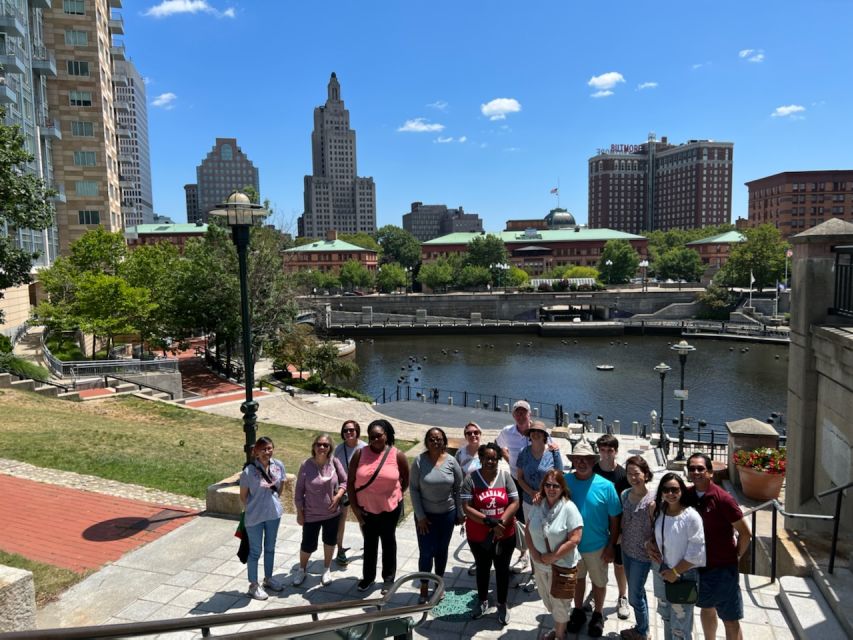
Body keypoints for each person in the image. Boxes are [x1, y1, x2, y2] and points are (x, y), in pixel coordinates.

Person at [686, 453, 752, 640]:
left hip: (723, 569)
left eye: (700, 468)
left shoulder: (723, 499)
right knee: (706, 609)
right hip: (699, 567)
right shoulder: (687, 495)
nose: (696, 472)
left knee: (730, 618)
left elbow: (745, 534)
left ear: (710, 473)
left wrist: (736, 556)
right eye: (692, 468)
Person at [563, 438, 622, 638]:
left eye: (586, 458)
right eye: (577, 458)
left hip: (598, 546)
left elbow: (615, 519)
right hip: (573, 546)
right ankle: (578, 610)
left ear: (592, 461)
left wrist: (611, 546)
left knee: (599, 582)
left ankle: (597, 614)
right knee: (578, 581)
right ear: (573, 461)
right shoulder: (565, 481)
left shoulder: (606, 486)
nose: (581, 462)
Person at [347, 419, 410, 594]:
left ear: (386, 435)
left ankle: (388, 579)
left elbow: (405, 480)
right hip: (366, 509)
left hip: (390, 509)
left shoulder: (397, 455)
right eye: (372, 436)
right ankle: (368, 578)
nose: (375, 439)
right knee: (369, 544)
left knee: (389, 542)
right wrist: (356, 510)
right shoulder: (360, 454)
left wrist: (393, 495)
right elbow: (351, 483)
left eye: (379, 436)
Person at [462, 442, 519, 626]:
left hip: (505, 535)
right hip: (479, 536)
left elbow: (515, 502)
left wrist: (500, 521)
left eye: (494, 458)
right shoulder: (470, 479)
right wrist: (488, 521)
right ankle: (482, 600)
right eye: (487, 458)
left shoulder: (505, 476)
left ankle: (502, 603)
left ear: (498, 460)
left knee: (502, 570)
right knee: (483, 568)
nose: (490, 461)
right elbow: (466, 507)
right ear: (481, 459)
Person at [524, 469, 583, 640]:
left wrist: (553, 556)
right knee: (548, 600)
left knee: (560, 603)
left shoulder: (569, 508)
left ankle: (559, 636)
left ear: (562, 488)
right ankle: (558, 628)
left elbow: (575, 539)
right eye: (548, 485)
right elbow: (528, 529)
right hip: (540, 564)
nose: (551, 489)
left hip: (561, 566)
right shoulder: (538, 504)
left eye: (555, 486)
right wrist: (533, 553)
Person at [648, 472, 706, 640]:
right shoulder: (659, 510)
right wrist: (648, 544)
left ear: (682, 491)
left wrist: (675, 573)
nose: (670, 494)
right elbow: (655, 536)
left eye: (675, 489)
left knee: (680, 627)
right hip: (662, 572)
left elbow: (696, 553)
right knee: (666, 618)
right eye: (666, 490)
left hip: (682, 575)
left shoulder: (691, 517)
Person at [410, 427, 464, 603]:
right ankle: (424, 588)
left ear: (444, 441)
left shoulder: (451, 461)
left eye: (439, 439)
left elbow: (459, 488)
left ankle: (438, 585)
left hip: (446, 515)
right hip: (425, 517)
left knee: (441, 552)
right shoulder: (419, 461)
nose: (435, 442)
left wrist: (459, 512)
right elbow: (413, 489)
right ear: (426, 442)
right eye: (432, 439)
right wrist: (420, 516)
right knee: (426, 552)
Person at [293, 433, 348, 587]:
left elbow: (345, 481)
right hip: (311, 514)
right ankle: (302, 570)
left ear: (330, 448)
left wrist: (338, 496)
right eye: (319, 444)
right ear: (314, 447)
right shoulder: (306, 465)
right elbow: (298, 493)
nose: (322, 447)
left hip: (332, 513)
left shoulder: (334, 462)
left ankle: (326, 569)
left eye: (326, 445)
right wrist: (299, 513)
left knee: (330, 542)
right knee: (307, 544)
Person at [516, 421, 564, 590]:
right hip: (529, 502)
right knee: (532, 537)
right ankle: (535, 572)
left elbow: (560, 476)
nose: (535, 434)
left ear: (544, 435)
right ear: (529, 435)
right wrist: (531, 492)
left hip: (548, 502)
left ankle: (550, 569)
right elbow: (519, 477)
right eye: (533, 431)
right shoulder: (524, 452)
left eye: (539, 432)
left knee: (549, 537)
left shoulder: (552, 453)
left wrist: (543, 494)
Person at [239, 436, 286, 600]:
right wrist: (256, 506)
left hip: (273, 514)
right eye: (263, 449)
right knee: (255, 551)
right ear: (256, 452)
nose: (267, 452)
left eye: (270, 448)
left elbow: (281, 487)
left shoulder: (278, 465)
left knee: (270, 547)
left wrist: (272, 502)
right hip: (255, 517)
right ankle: (253, 585)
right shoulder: (248, 471)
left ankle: (268, 578)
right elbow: (243, 496)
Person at [592, 433, 631, 620]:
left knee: (619, 565)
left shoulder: (622, 475)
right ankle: (595, 595)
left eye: (610, 450)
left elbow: (626, 505)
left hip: (617, 528)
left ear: (616, 451)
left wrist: (622, 532)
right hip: (597, 526)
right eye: (603, 450)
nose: (606, 454)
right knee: (597, 563)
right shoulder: (592, 470)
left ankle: (622, 596)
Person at [619, 456, 657, 640]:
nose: (633, 477)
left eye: (637, 474)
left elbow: (658, 529)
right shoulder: (625, 494)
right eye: (629, 474)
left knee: (634, 596)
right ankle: (644, 628)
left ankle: (642, 632)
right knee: (637, 592)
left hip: (642, 556)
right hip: (626, 550)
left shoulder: (653, 500)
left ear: (646, 474)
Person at [333, 419, 366, 566]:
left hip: (361, 489)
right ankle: (339, 549)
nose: (348, 433)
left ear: (357, 431)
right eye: (345, 430)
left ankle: (369, 546)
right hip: (344, 489)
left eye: (351, 430)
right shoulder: (339, 449)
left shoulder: (365, 447)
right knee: (341, 521)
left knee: (363, 520)